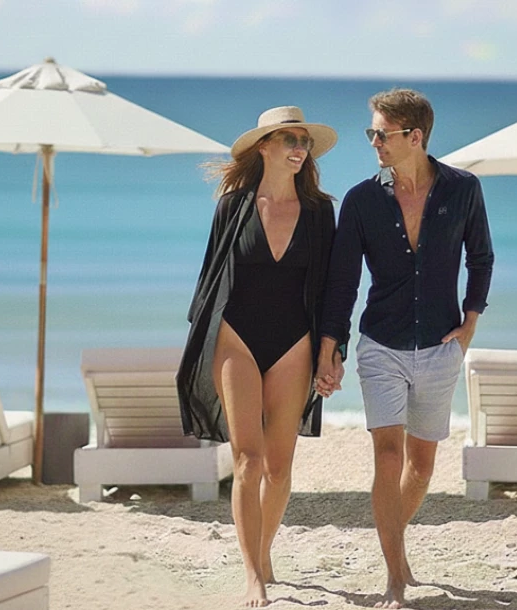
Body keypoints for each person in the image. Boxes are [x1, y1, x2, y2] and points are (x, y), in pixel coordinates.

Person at [315, 89, 494, 608]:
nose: (373, 142)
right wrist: (332, 346)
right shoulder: (361, 201)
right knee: (388, 457)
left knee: (422, 466)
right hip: (381, 345)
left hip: (441, 347)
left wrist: (470, 323)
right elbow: (342, 282)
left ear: (415, 137)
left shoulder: (463, 189)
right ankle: (394, 578)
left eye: (382, 134)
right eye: (371, 132)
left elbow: (481, 258)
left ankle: (394, 543)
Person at [177, 106, 338, 607]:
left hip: (294, 344)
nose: (299, 148)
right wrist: (201, 344)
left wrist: (332, 350)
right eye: (289, 139)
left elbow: (331, 290)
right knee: (248, 459)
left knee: (279, 466)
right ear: (264, 146)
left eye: (304, 141)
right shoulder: (233, 205)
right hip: (237, 339)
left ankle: (264, 551)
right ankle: (253, 576)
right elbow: (209, 282)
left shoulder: (319, 212)